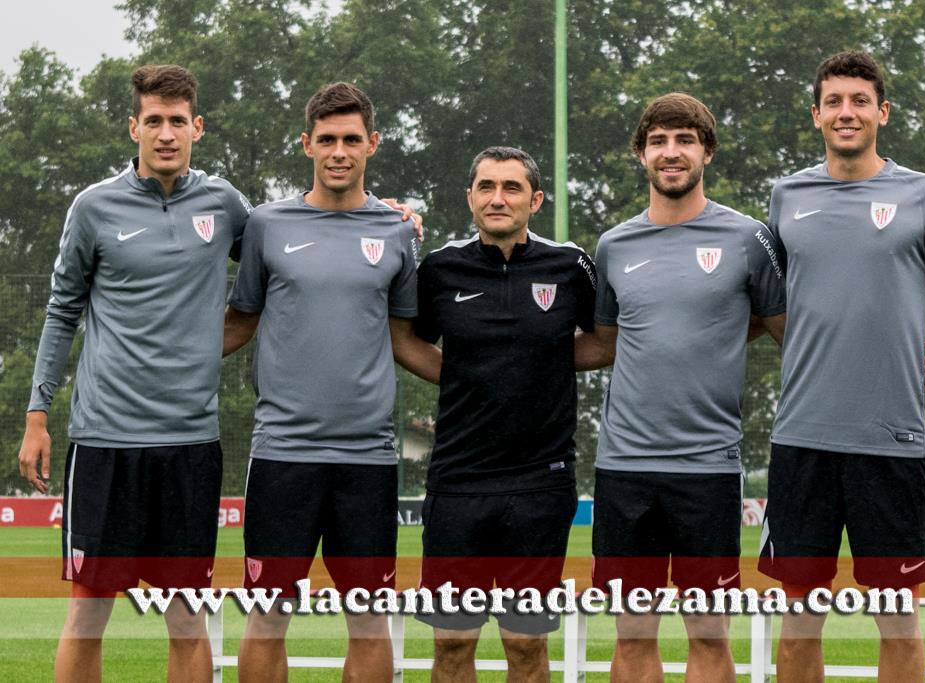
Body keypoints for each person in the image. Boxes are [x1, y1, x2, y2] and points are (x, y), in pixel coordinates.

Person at [16, 64, 253, 682]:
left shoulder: (224, 204)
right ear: (134, 128)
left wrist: (370, 214)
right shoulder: (93, 208)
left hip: (189, 445)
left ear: (197, 127)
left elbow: (284, 259)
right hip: (104, 444)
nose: (167, 133)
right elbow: (62, 311)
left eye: (178, 121)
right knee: (88, 613)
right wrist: (37, 415)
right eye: (155, 121)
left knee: (186, 617)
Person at [757, 50, 925, 681]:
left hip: (892, 442)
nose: (847, 112)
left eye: (860, 101)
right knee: (799, 621)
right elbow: (767, 309)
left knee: (898, 620)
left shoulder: (923, 194)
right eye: (834, 101)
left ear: (882, 112)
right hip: (801, 440)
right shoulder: (785, 196)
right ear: (816, 115)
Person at [222, 81, 439, 683]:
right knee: (267, 615)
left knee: (369, 619)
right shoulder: (266, 224)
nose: (338, 151)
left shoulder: (399, 232)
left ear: (371, 143)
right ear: (306, 144)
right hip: (282, 454)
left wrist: (488, 386)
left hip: (366, 458)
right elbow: (239, 322)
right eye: (326, 139)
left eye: (350, 139)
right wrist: (156, 363)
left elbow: (403, 340)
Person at [574, 92, 787, 681]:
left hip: (709, 471)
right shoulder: (614, 246)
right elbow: (606, 344)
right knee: (632, 637)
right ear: (640, 153)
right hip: (624, 471)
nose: (672, 153)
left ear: (706, 152)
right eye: (659, 141)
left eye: (685, 140)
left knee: (710, 638)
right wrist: (495, 361)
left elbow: (794, 337)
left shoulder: (750, 239)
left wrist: (889, 367)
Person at [412, 146, 597, 682]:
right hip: (458, 482)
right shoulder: (441, 268)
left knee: (525, 648)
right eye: (486, 186)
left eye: (512, 187)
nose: (498, 198)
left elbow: (604, 339)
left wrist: (541, 367)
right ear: (469, 196)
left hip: (540, 485)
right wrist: (473, 373)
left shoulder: (570, 264)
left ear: (535, 200)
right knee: (451, 648)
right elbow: (408, 339)